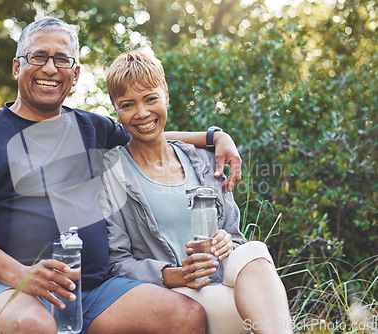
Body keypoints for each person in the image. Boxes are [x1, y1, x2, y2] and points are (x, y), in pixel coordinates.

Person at [0, 17, 243, 334]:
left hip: (93, 290)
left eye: (62, 59)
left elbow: (146, 131)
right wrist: (22, 275)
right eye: (38, 57)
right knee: (34, 326)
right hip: (5, 286)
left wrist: (213, 137)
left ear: (75, 76)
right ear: (18, 67)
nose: (49, 68)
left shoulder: (91, 128)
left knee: (184, 316)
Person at [101, 49, 293, 334]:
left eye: (151, 99)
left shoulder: (204, 161)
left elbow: (236, 238)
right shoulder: (111, 172)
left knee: (255, 250)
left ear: (166, 95)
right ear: (115, 108)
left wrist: (228, 243)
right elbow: (117, 262)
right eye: (128, 104)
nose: (142, 113)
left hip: (226, 284)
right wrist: (178, 275)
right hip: (172, 298)